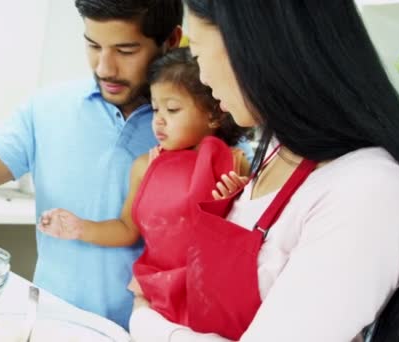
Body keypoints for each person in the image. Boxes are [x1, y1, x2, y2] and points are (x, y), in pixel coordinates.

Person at [128, 0, 399, 341]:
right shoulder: (279, 153)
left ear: (252, 46)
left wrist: (147, 323)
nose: (202, 78)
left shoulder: (368, 191)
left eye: (198, 55)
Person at [0, 0, 184, 329]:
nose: (105, 67)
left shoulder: (202, 128)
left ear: (171, 41)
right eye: (93, 45)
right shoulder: (49, 108)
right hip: (49, 327)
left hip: (150, 334)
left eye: (125, 50)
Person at [37, 47, 251, 324]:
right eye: (155, 108)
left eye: (172, 109)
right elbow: (127, 230)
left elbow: (247, 241)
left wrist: (238, 197)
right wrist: (80, 227)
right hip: (155, 291)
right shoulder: (145, 166)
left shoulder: (234, 163)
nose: (159, 120)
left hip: (208, 293)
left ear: (214, 114)